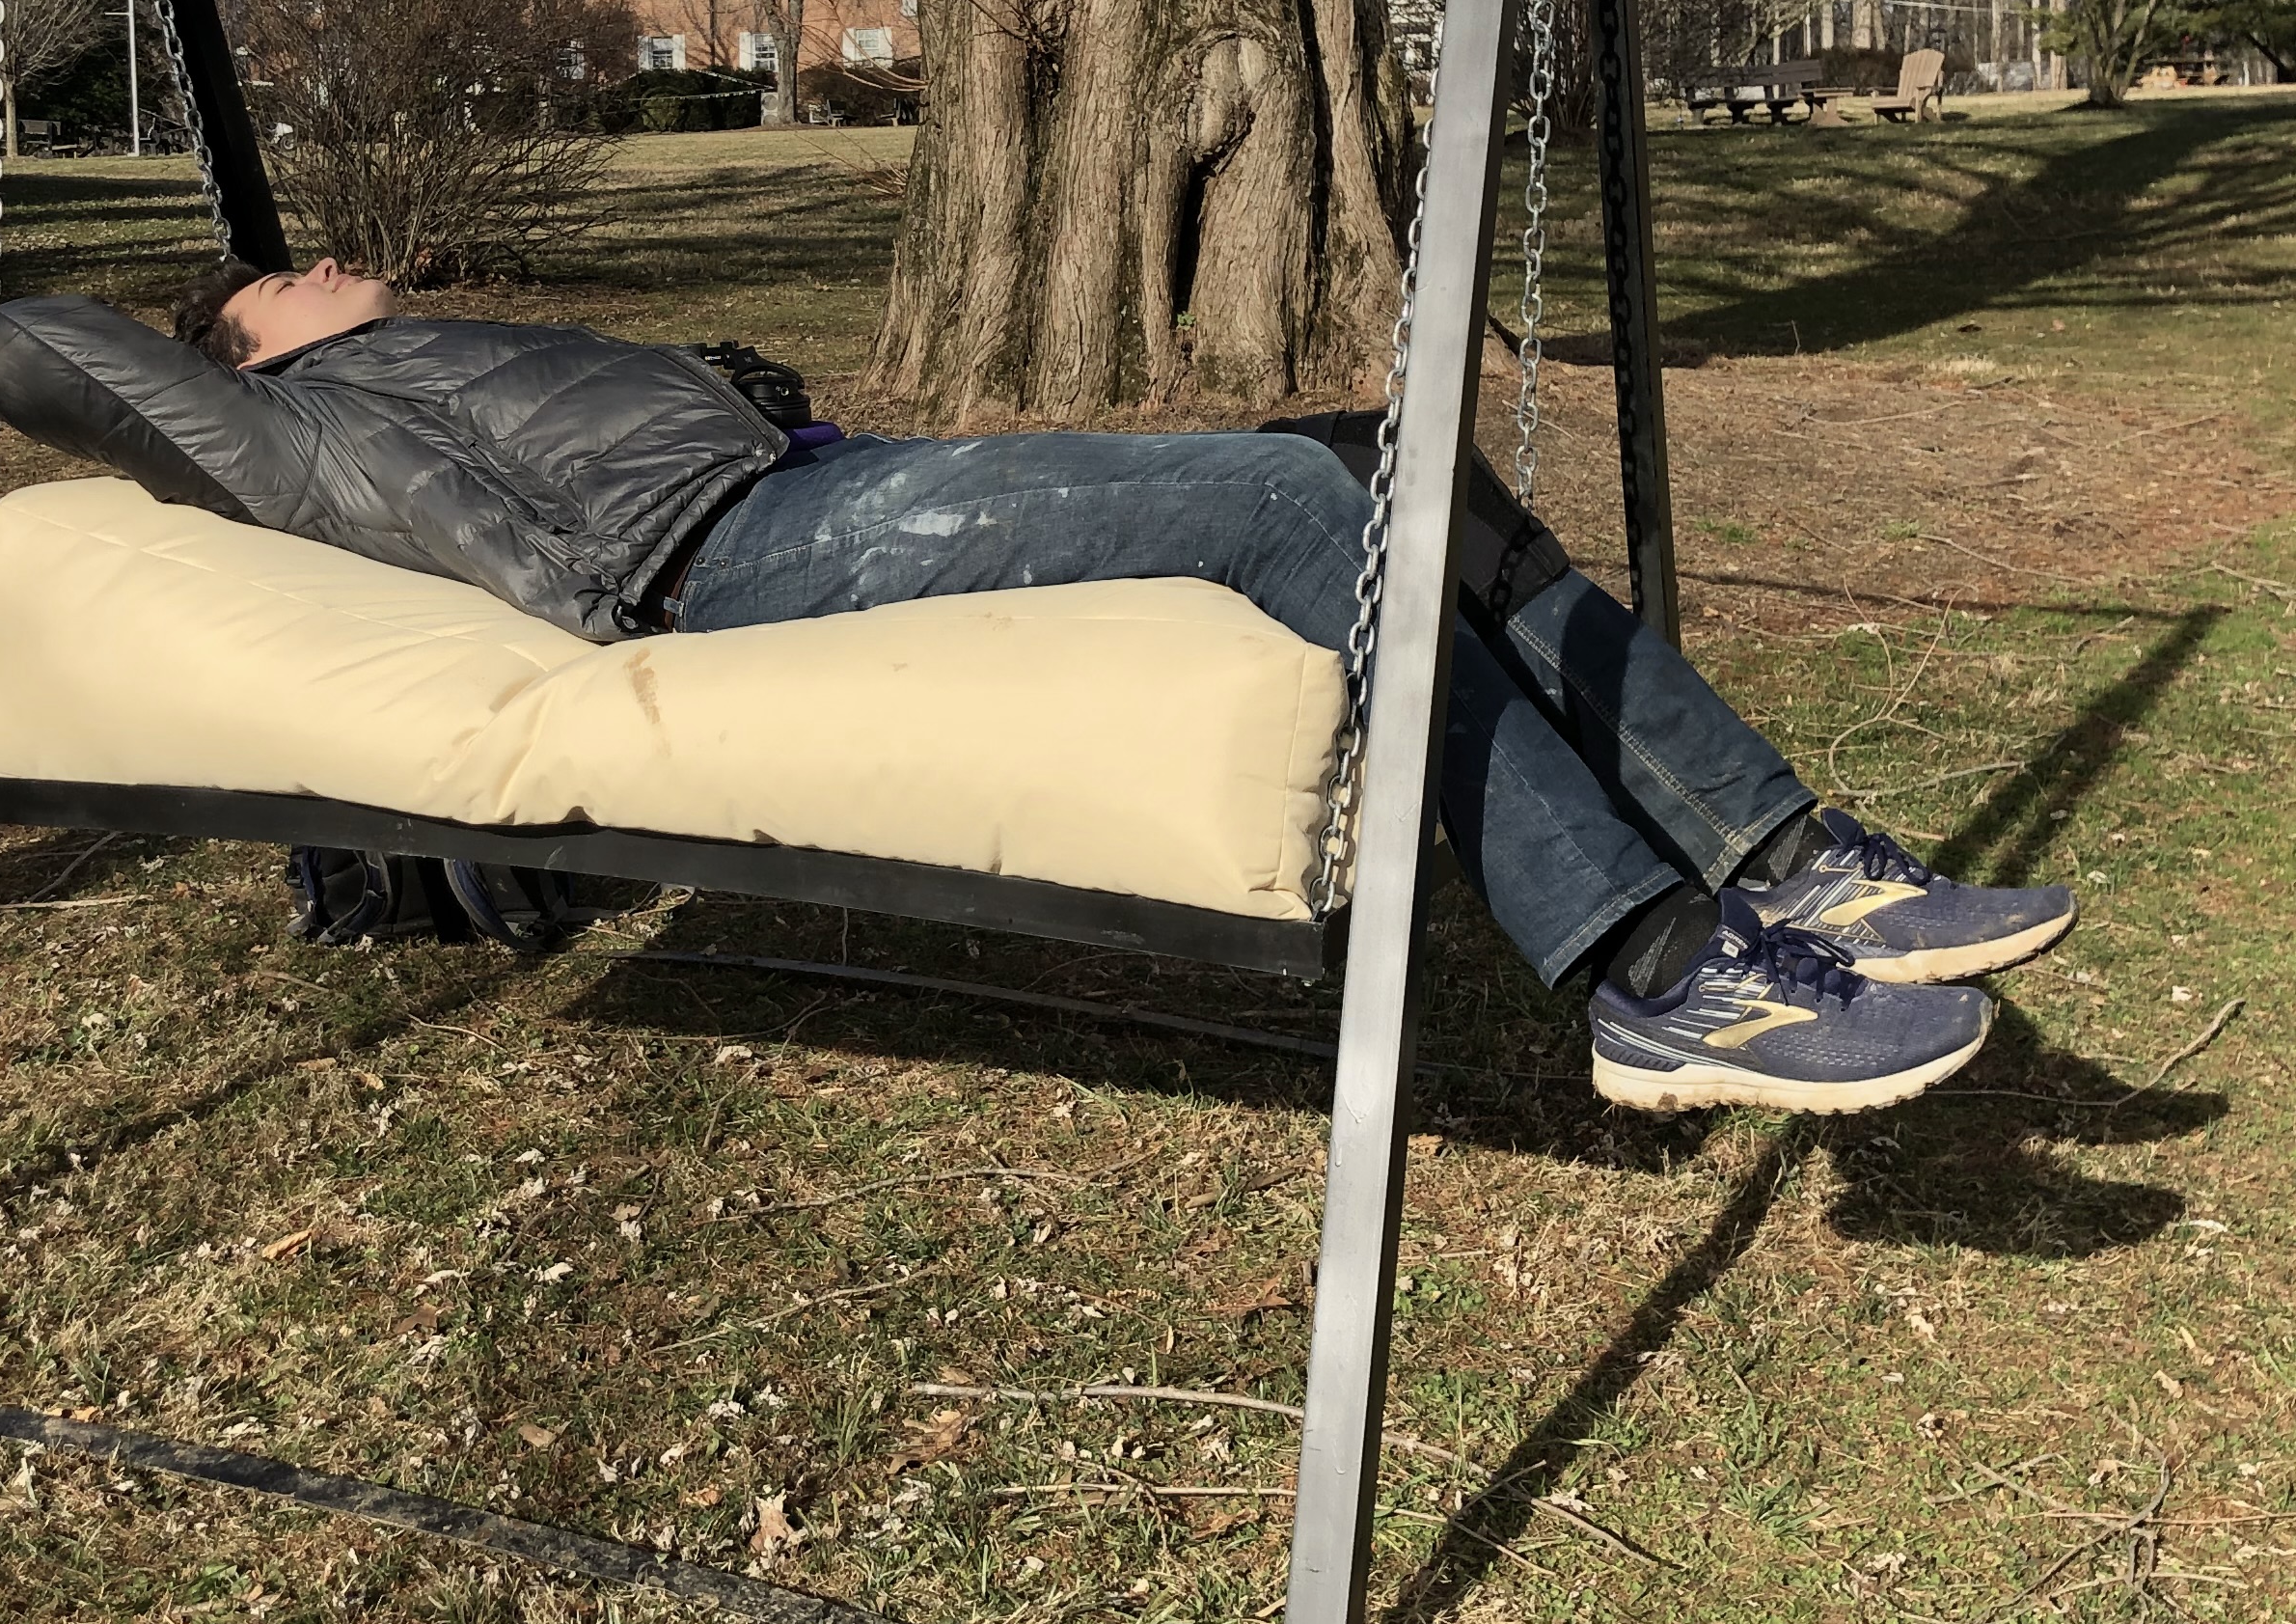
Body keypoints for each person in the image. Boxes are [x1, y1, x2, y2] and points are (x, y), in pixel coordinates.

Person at [120, 257, 2073, 1116]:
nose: (329, 263)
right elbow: (48, 354)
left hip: (827, 488)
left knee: (1409, 476)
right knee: (1286, 502)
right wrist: (217, 367)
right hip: (735, 563)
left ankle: (1792, 857)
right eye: (283, 275)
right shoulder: (302, 420)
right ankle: (1654, 975)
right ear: (238, 354)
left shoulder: (404, 353)